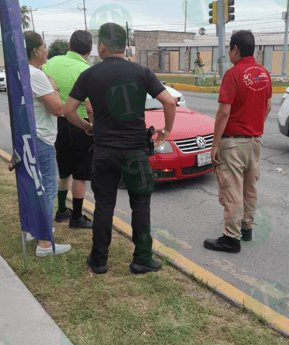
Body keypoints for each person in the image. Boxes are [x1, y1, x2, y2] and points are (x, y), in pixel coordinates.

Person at [63, 23, 176, 274]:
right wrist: (166, 131)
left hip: (104, 151)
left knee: (104, 205)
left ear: (101, 46)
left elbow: (68, 110)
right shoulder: (141, 71)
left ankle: (99, 260)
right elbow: (169, 101)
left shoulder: (90, 74)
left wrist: (86, 126)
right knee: (141, 204)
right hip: (136, 150)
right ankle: (142, 258)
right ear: (124, 45)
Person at [203, 30, 272, 254]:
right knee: (250, 187)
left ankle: (230, 239)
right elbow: (267, 107)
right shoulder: (264, 73)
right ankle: (246, 229)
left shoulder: (233, 74)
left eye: (230, 49)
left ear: (235, 49)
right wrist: (253, 126)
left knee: (232, 190)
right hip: (255, 142)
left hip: (232, 143)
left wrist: (214, 144)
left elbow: (223, 113)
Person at [24, 31, 76, 257]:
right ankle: (45, 243)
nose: (47, 50)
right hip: (42, 137)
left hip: (28, 136)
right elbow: (57, 109)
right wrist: (53, 86)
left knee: (33, 187)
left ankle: (33, 230)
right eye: (44, 46)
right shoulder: (37, 75)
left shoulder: (20, 71)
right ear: (36, 50)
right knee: (46, 188)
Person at [42, 30, 94, 229]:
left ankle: (62, 210)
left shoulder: (51, 63)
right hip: (79, 123)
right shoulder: (85, 69)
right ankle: (77, 217)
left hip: (56, 123)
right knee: (80, 173)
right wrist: (91, 127)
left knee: (64, 171)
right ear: (89, 50)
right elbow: (89, 106)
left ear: (69, 46)